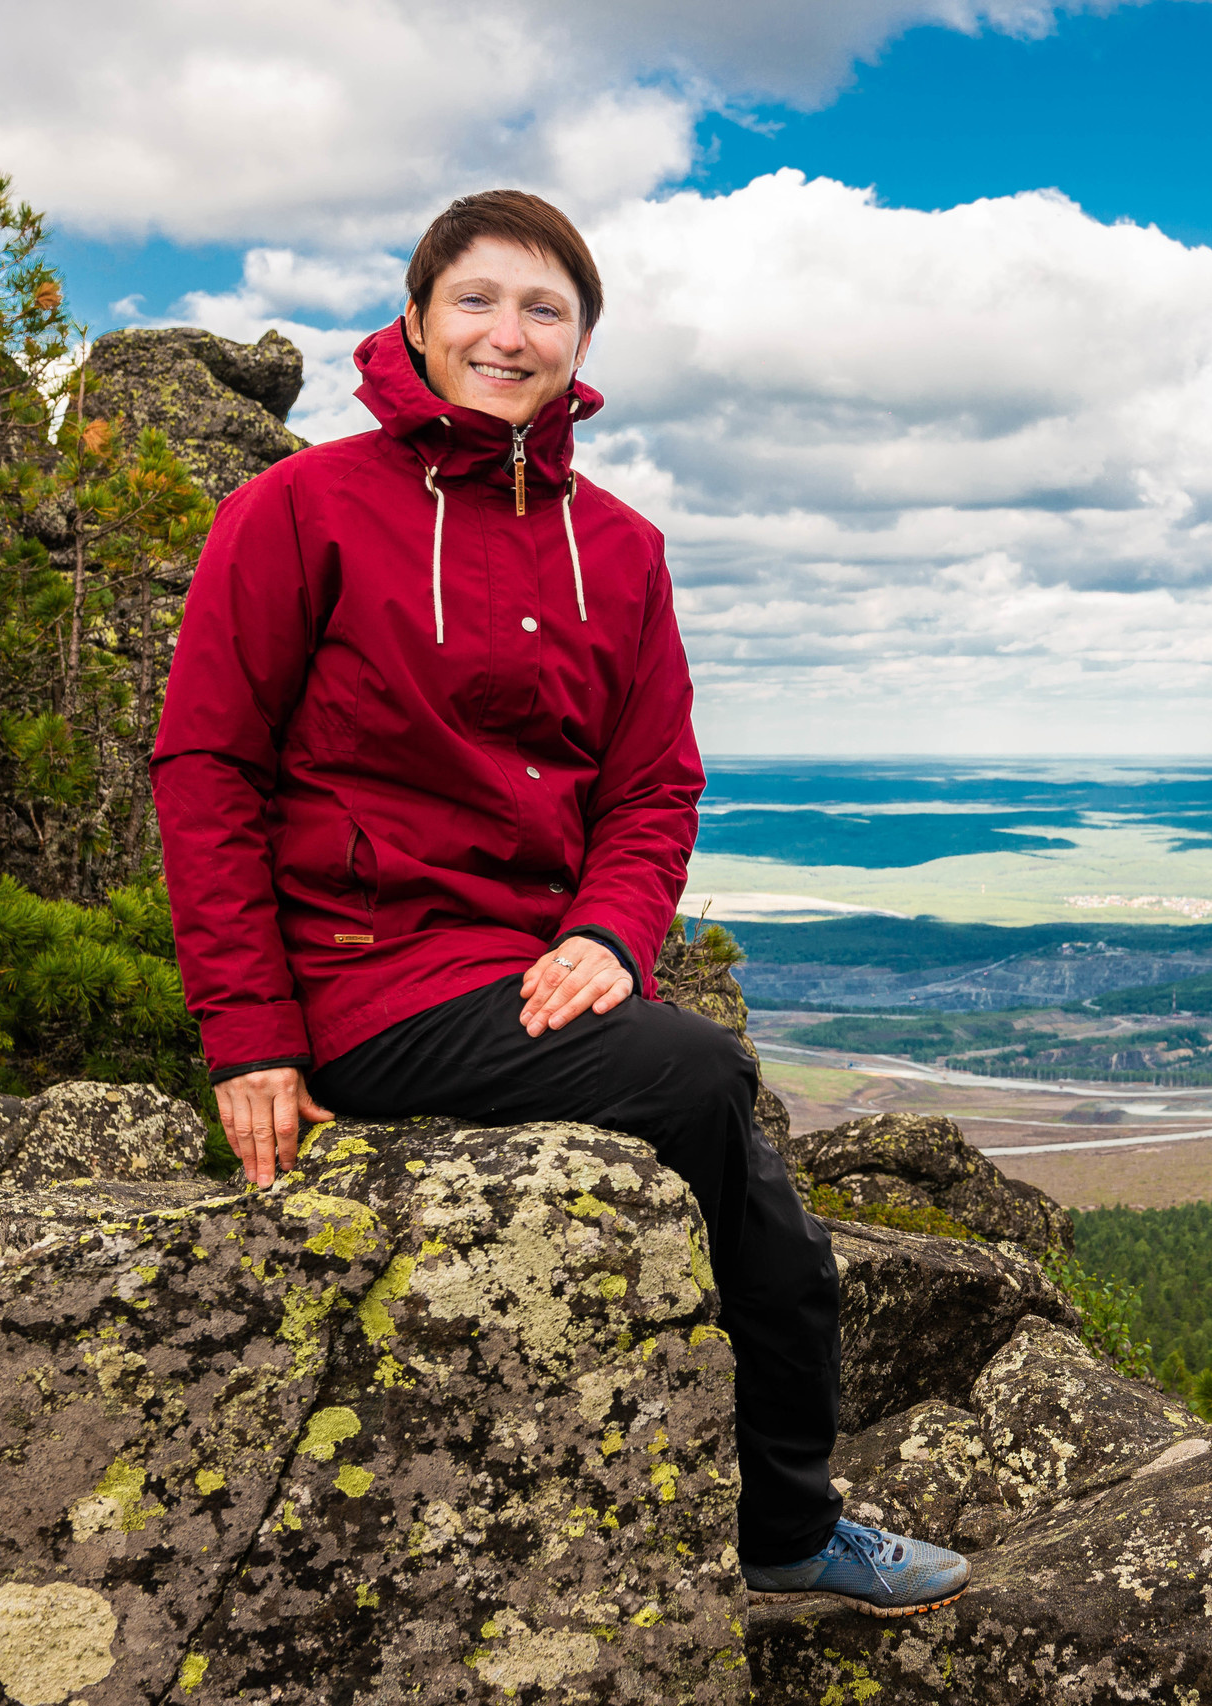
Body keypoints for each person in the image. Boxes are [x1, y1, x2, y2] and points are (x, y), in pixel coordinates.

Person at [150, 189, 968, 1618]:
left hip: (534, 966)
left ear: (581, 343)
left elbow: (654, 787)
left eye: (545, 309)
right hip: (369, 979)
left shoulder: (624, 547)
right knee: (703, 1074)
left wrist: (608, 931)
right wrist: (252, 1037)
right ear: (416, 320)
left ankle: (788, 1516)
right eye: (476, 299)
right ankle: (787, 1527)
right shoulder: (298, 510)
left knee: (756, 1190)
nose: (508, 334)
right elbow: (207, 767)